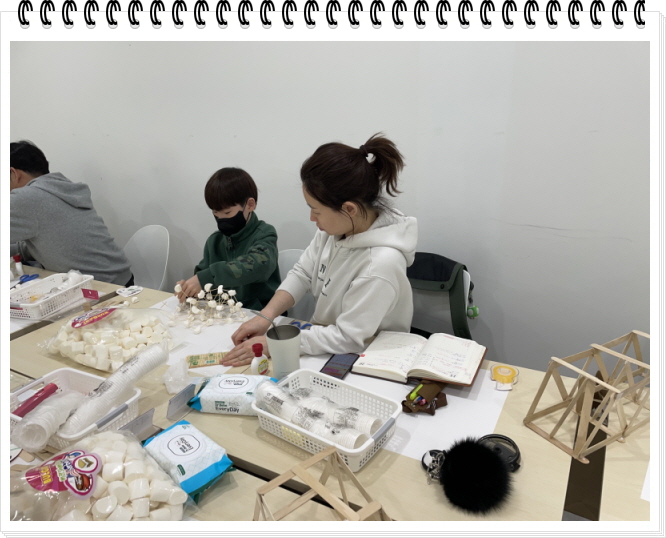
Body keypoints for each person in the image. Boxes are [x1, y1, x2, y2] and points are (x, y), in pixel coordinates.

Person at [224, 133, 418, 367]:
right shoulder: (336, 229)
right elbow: (303, 273)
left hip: (368, 360)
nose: (311, 218)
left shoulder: (380, 264)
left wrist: (276, 343)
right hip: (326, 343)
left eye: (316, 210)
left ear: (349, 209)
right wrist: (266, 316)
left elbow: (349, 338)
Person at [10, 140, 132, 285]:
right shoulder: (60, 188)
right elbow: (47, 244)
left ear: (13, 173)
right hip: (122, 280)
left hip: (98, 287)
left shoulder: (25, 198)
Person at [175, 167, 281, 311]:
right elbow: (203, 281)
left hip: (260, 312)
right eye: (215, 213)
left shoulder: (264, 234)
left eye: (227, 212)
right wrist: (190, 289)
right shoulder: (214, 241)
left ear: (250, 205)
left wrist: (207, 277)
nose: (221, 219)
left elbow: (259, 265)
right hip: (224, 314)